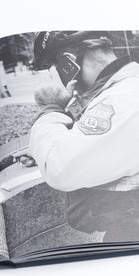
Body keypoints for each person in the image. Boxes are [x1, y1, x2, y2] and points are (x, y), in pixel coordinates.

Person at [27, 31, 139, 242]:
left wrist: (50, 107)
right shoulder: (125, 87)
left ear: (68, 63)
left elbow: (59, 168)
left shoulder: (124, 97)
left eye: (53, 67)